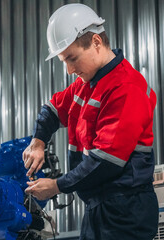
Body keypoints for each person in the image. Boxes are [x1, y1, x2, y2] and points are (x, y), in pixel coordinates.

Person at [23, 3, 158, 240]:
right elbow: (52, 109)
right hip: (98, 208)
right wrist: (38, 142)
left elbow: (104, 162)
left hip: (126, 213)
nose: (69, 70)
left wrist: (56, 186)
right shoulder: (87, 85)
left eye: (72, 59)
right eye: (64, 61)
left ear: (96, 42)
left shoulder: (126, 88)